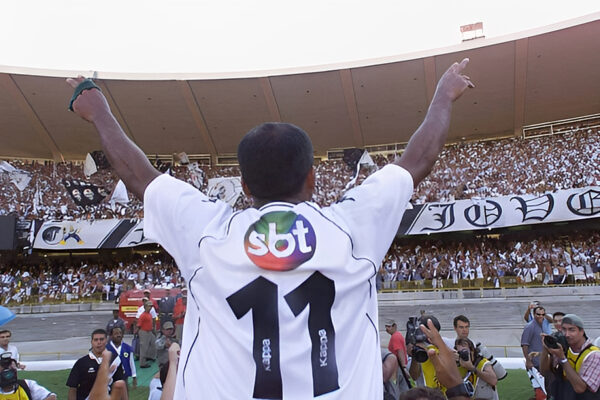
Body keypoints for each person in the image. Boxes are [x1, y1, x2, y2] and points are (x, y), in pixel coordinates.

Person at [67, 57, 474, 399]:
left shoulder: (209, 234)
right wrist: (443, 94)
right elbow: (419, 158)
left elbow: (140, 176)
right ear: (311, 178)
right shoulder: (352, 227)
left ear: (244, 187)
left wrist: (98, 111)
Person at [543, 314, 600, 398]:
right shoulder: (564, 348)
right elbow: (544, 372)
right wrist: (545, 349)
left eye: (571, 330)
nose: (567, 334)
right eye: (564, 330)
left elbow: (580, 388)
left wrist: (563, 359)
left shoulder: (594, 355)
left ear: (582, 331)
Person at [66, 329, 125, 400]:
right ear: (91, 342)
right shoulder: (81, 362)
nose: (99, 342)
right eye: (96, 340)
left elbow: (120, 385)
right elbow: (72, 387)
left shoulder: (115, 360)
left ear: (106, 341)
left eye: (101, 339)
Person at [453, 315, 506, 381]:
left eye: (466, 327)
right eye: (461, 327)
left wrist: (471, 367)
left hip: (479, 384)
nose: (464, 330)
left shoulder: (478, 348)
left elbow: (493, 380)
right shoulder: (450, 346)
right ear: (455, 328)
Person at [385, 319, 410, 393]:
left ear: (394, 326)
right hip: (399, 368)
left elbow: (400, 351)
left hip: (398, 369)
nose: (387, 329)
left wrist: (403, 367)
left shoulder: (395, 337)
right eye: (386, 327)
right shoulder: (398, 335)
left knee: (396, 390)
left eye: (389, 327)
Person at [522, 306, 547, 371]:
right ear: (533, 314)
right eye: (538, 314)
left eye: (543, 314)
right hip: (534, 363)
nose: (541, 316)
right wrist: (528, 361)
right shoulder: (529, 327)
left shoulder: (543, 325)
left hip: (543, 362)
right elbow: (524, 344)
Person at [136, 301, 156, 368]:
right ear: (145, 307)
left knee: (153, 344)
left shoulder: (149, 314)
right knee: (144, 347)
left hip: (149, 331)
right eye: (148, 306)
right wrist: (137, 332)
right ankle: (142, 363)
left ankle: (151, 356)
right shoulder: (143, 315)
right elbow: (139, 324)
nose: (150, 308)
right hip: (144, 332)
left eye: (151, 306)